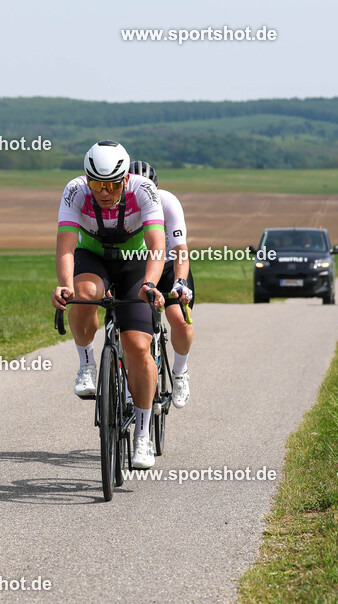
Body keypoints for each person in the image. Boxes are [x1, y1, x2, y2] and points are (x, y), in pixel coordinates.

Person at [51, 141, 166, 469]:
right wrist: (64, 284)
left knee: (138, 346)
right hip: (93, 255)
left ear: (125, 179)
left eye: (112, 184)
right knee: (83, 293)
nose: (104, 191)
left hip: (134, 260)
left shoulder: (143, 190)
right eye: (97, 184)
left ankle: (142, 437)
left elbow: (158, 245)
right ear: (87, 179)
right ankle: (87, 365)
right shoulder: (75, 190)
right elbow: (66, 245)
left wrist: (150, 284)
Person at [129, 161, 194, 409]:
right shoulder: (121, 206)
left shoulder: (168, 202)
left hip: (167, 266)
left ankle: (180, 371)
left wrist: (180, 281)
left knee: (179, 318)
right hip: (135, 267)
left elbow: (180, 250)